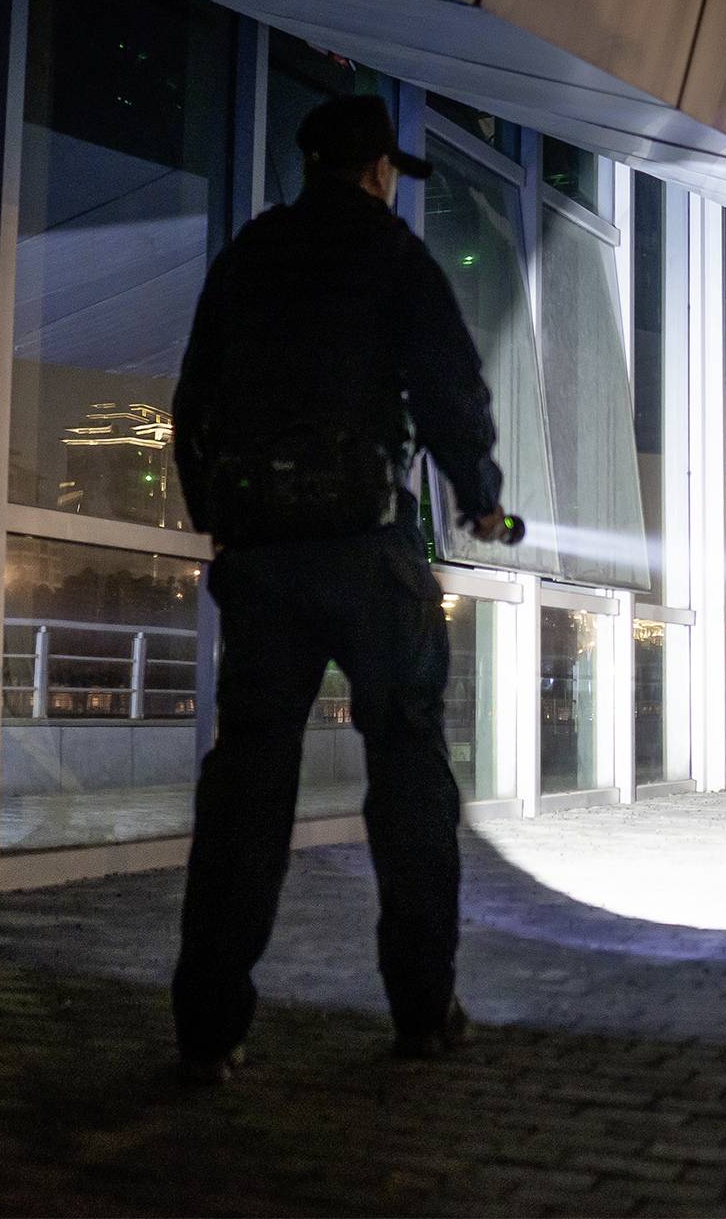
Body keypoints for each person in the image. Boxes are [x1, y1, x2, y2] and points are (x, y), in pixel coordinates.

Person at [169, 95, 506, 1084]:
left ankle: (209, 1029)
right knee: (408, 773)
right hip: (367, 548)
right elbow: (449, 389)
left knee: (247, 783)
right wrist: (480, 494)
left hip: (265, 560)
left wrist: (221, 519)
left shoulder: (248, 257)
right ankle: (422, 1010)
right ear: (377, 171)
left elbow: (195, 399)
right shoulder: (393, 255)